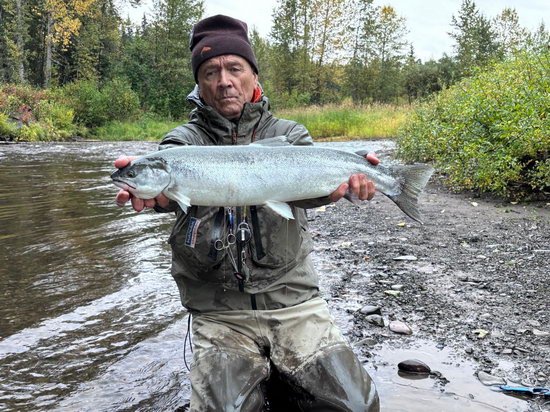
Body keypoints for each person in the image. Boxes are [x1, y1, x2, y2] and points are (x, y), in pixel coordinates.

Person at [115, 14, 380, 412]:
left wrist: (348, 184)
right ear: (199, 85)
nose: (224, 80)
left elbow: (309, 193)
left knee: (357, 407)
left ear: (254, 76)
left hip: (295, 302)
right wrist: (159, 196)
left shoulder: (290, 136)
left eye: (234, 68)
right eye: (210, 72)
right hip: (219, 313)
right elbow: (166, 196)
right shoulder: (182, 144)